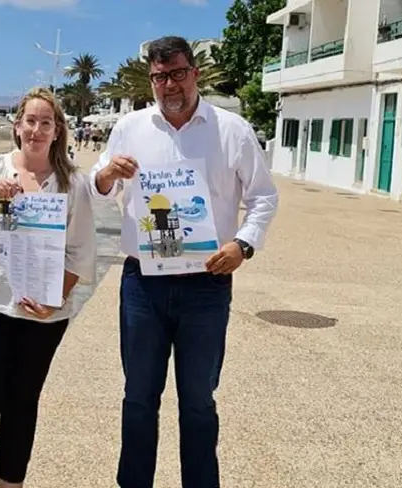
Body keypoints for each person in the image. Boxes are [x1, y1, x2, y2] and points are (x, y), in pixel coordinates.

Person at [89, 36, 279, 488]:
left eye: (176, 73)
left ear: (194, 73)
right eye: (159, 77)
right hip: (142, 284)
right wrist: (107, 174)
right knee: (138, 396)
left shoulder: (232, 130)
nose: (168, 85)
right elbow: (98, 186)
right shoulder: (129, 127)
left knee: (197, 399)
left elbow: (263, 197)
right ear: (150, 79)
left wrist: (243, 245)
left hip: (206, 285)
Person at [0, 86, 96, 488]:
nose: (37, 129)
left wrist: (55, 299)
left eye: (46, 122)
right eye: (31, 121)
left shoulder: (72, 184)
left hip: (42, 318)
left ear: (58, 130)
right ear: (18, 126)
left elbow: (80, 253)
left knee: (21, 407)